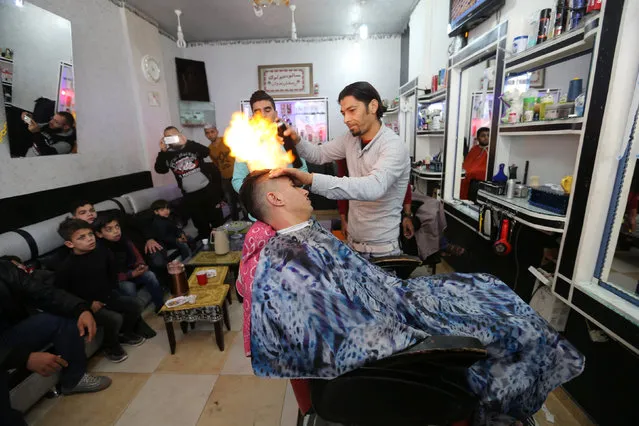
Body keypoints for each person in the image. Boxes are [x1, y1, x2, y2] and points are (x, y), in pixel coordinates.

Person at [239, 170, 585, 425]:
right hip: (392, 319)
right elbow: (348, 338)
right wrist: (416, 334)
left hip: (394, 299)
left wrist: (391, 293)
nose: (303, 190)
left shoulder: (304, 237)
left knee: (487, 285)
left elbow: (355, 281)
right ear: (275, 199)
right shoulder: (289, 263)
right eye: (293, 187)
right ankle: (500, 408)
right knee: (515, 329)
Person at [272, 81, 411, 259]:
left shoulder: (393, 146)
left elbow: (373, 187)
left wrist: (309, 179)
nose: (346, 119)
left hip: (383, 250)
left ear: (373, 106)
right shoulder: (350, 140)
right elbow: (318, 154)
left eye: (352, 110)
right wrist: (297, 139)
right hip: (353, 243)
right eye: (343, 113)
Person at [0, 257, 111, 426]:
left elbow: (40, 291)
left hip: (8, 333)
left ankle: (74, 379)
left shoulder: (4, 268)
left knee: (63, 318)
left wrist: (80, 308)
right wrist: (22, 357)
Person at [55, 218, 154, 363]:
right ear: (70, 244)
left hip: (107, 296)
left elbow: (111, 275)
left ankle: (125, 334)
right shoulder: (67, 267)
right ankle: (110, 346)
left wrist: (109, 293)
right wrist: (88, 305)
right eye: (82, 237)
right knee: (114, 318)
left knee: (135, 304)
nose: (89, 239)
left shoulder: (102, 252)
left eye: (90, 234)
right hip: (85, 306)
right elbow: (63, 294)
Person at [231, 90, 309, 195]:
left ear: (275, 114)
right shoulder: (246, 143)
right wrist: (257, 195)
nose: (263, 115)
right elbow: (237, 180)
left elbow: (303, 171)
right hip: (260, 206)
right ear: (253, 116)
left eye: (267, 110)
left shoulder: (286, 138)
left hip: (290, 202)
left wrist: (290, 191)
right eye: (257, 112)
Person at [155, 126, 223, 239]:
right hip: (190, 196)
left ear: (179, 134)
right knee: (201, 225)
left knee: (218, 222)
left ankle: (224, 246)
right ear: (164, 139)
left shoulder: (190, 146)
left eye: (174, 135)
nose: (172, 138)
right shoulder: (166, 154)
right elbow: (160, 169)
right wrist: (162, 152)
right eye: (168, 137)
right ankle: (207, 250)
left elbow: (206, 151)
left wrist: (188, 142)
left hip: (208, 191)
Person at [93, 214, 165, 312]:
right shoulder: (99, 250)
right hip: (117, 279)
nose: (116, 231)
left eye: (117, 226)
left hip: (130, 271)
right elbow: (107, 276)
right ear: (99, 234)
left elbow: (136, 255)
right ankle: (137, 317)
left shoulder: (124, 240)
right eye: (109, 229)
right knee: (129, 288)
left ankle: (161, 306)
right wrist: (131, 274)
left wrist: (140, 265)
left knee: (150, 275)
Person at [70, 200, 167, 273]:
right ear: (74, 218)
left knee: (159, 263)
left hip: (144, 243)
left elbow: (140, 223)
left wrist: (149, 238)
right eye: (83, 213)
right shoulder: (78, 234)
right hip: (124, 259)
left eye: (91, 210)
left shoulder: (113, 214)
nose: (90, 214)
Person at [205, 124, 240, 220]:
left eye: (212, 132)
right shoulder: (210, 149)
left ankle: (248, 219)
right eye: (207, 133)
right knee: (230, 201)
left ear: (216, 131)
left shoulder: (227, 140)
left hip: (237, 174)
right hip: (225, 178)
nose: (210, 135)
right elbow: (216, 163)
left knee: (242, 199)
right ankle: (235, 223)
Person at [460, 127, 490, 200]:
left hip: (479, 181)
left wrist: (471, 173)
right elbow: (466, 164)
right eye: (483, 136)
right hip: (467, 177)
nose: (486, 137)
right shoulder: (474, 149)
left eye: (488, 135)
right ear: (478, 138)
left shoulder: (491, 150)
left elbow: (485, 169)